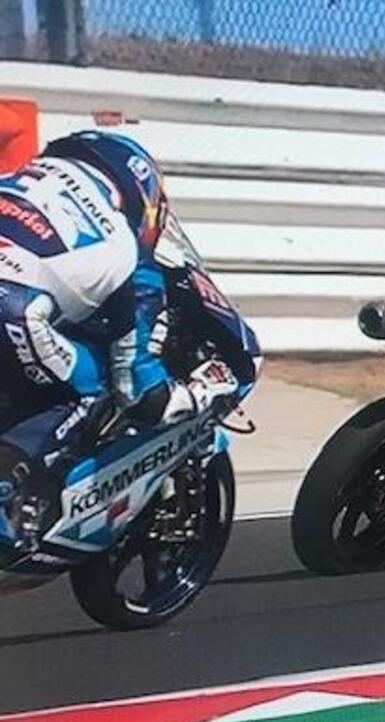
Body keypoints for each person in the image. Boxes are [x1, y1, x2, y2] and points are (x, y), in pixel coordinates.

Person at [0, 131, 238, 494]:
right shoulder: (128, 250)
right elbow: (136, 390)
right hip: (11, 306)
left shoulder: (13, 182)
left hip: (15, 299)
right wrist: (198, 394)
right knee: (92, 389)